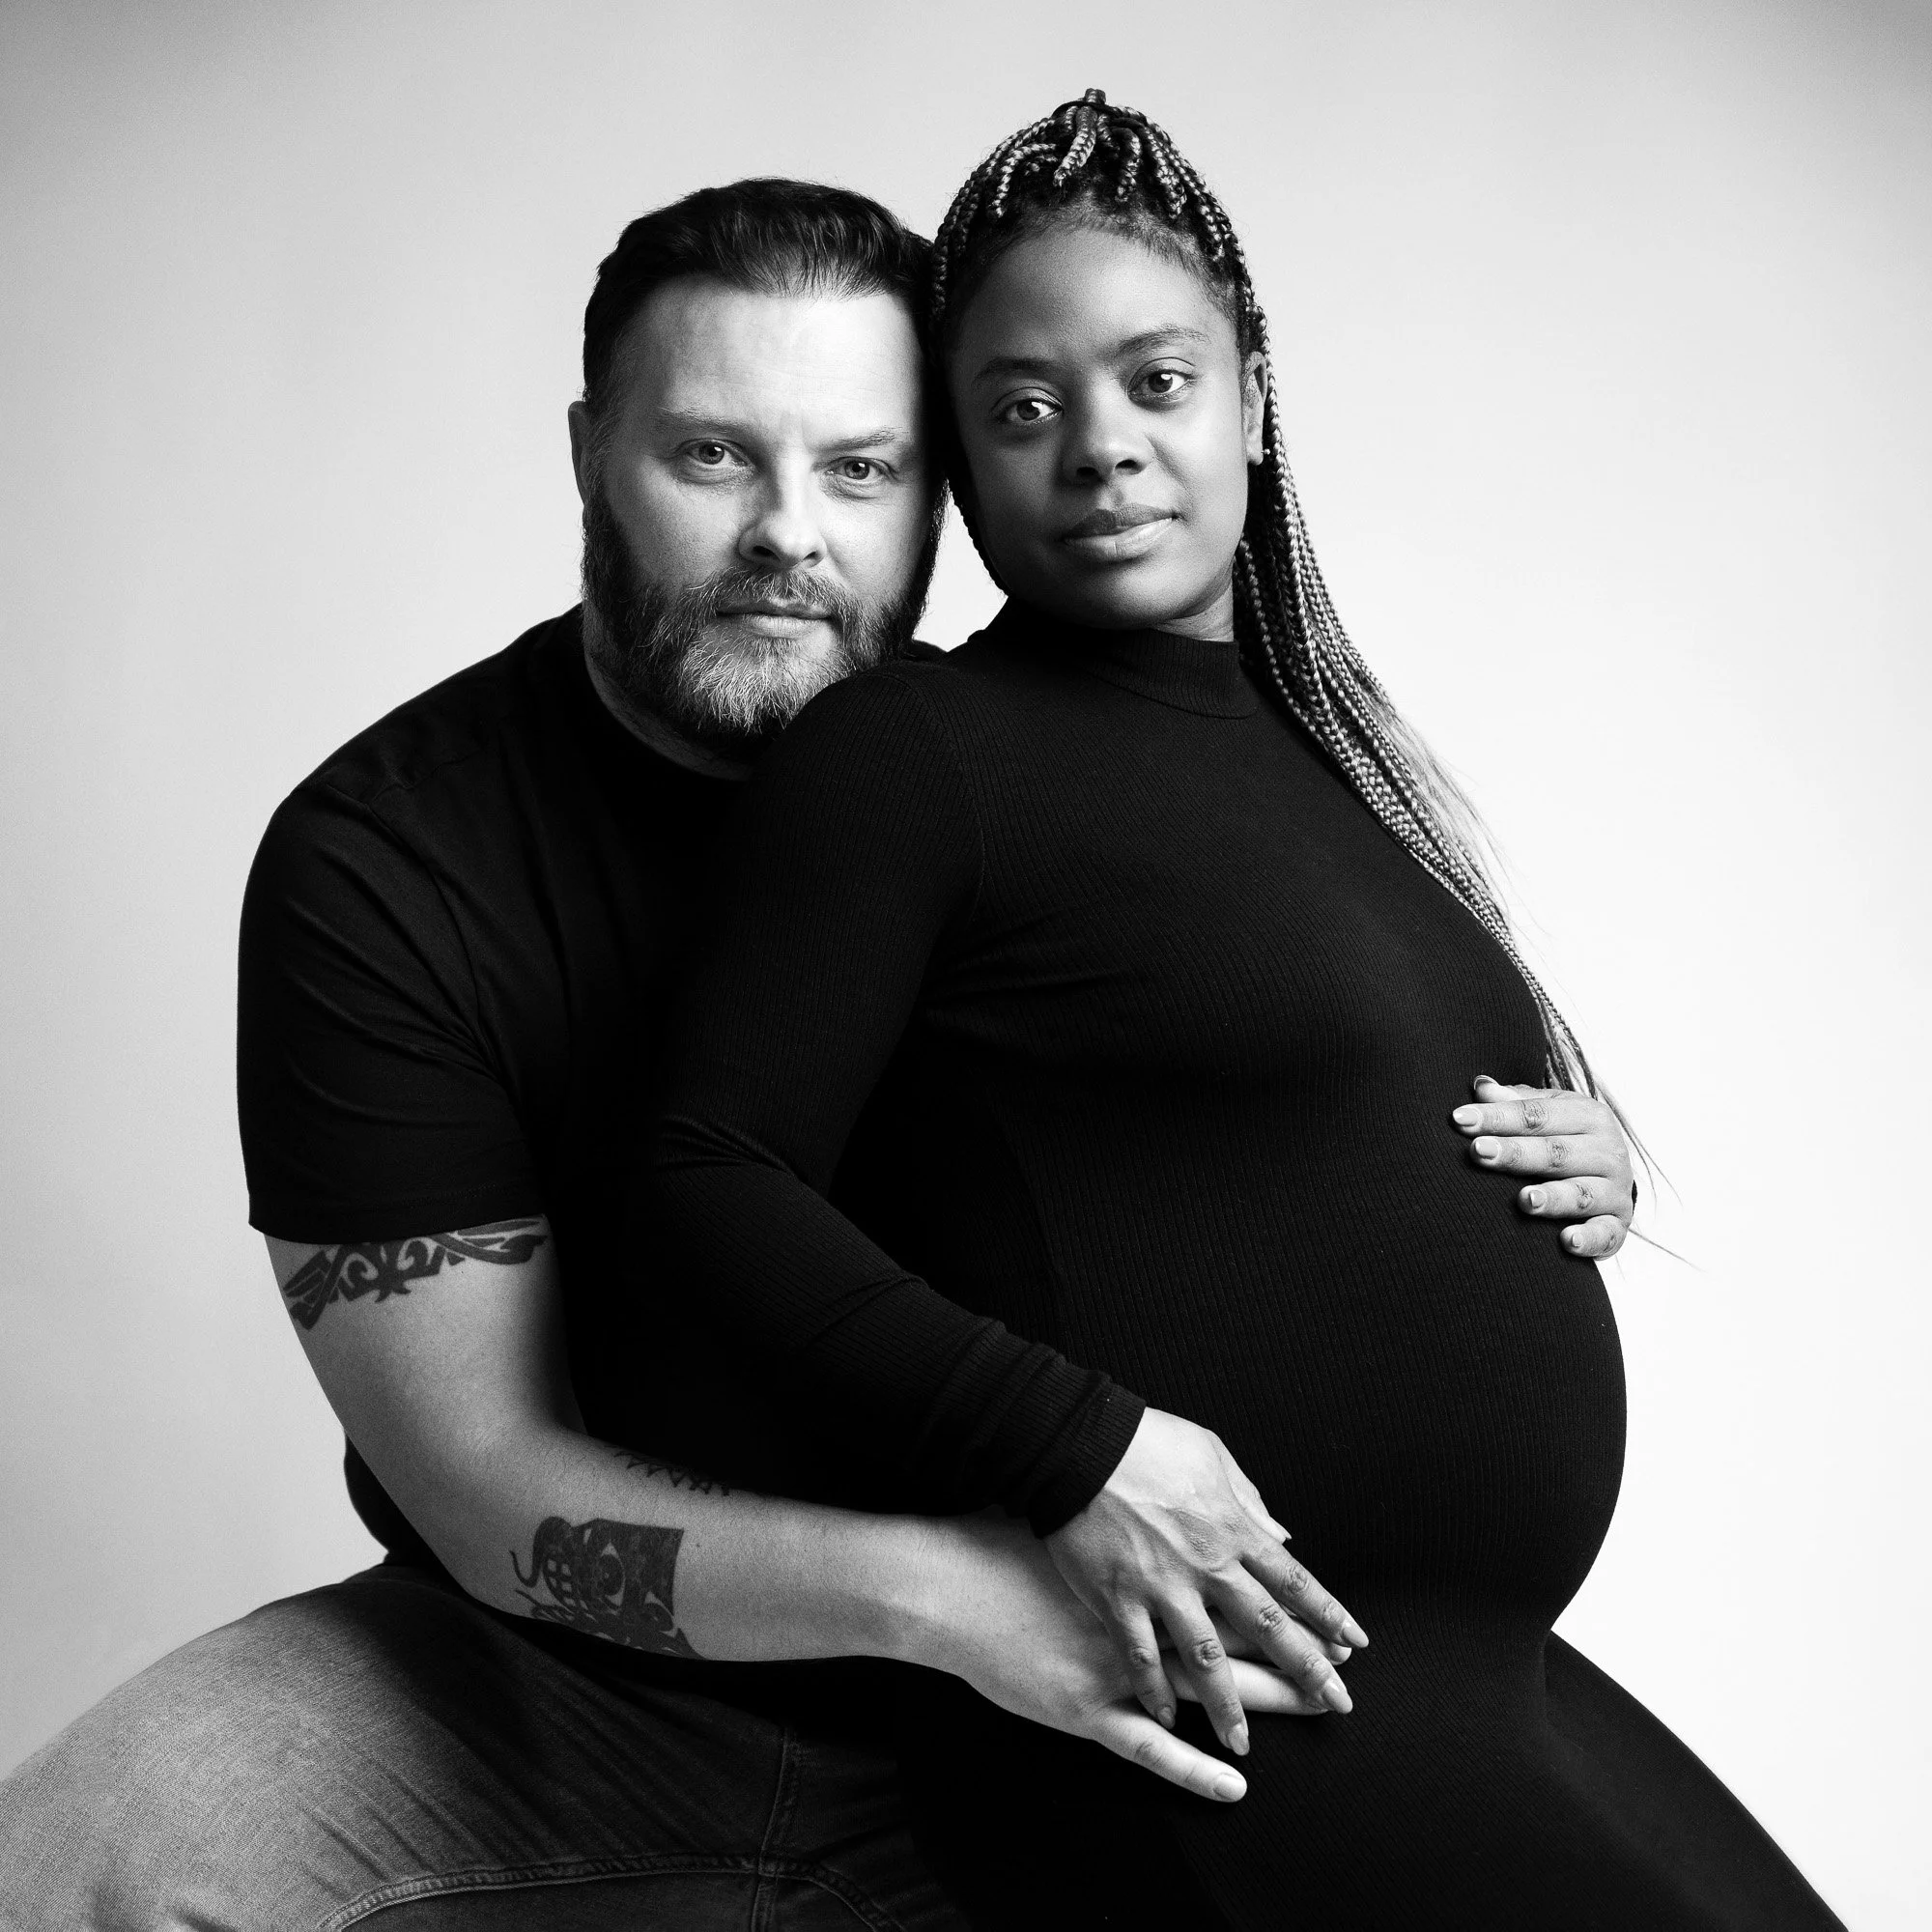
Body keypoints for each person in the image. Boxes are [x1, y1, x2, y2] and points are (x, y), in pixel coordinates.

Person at [0, 180, 1640, 1930]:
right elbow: (488, 1491)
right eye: (712, 457)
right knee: (92, 1845)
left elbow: (1265, 1095)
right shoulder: (392, 863)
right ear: (591, 456)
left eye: (862, 469)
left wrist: (1527, 1144)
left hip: (1113, 1666)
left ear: (943, 487)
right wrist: (953, 1603)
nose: (789, 535)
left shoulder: (998, 767)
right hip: (600, 1678)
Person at [645, 96, 1844, 1929]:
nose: (1101, 447)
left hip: (1459, 1681)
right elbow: (695, 1175)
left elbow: (1291, 1115)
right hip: (1213, 1715)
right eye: (1022, 409)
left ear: (1254, 401)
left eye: (1157, 381)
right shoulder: (914, 759)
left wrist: (1578, 1156)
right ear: (963, 471)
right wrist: (1076, 1449)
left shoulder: (1327, 754)